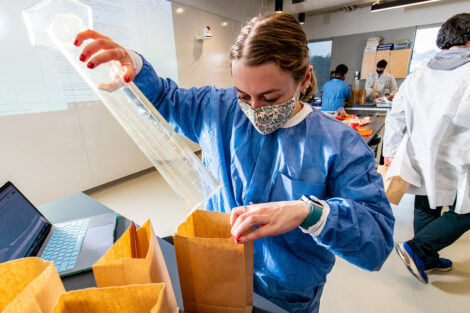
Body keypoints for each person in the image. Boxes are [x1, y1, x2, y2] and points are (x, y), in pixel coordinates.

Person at [75, 13, 394, 313]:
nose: (255, 109)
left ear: (304, 79)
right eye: (244, 95)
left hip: (285, 297)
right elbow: (163, 99)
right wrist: (136, 68)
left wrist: (309, 212)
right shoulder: (217, 108)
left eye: (270, 98)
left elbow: (376, 242)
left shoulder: (339, 144)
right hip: (215, 273)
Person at [383, 13, 470, 284]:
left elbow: (395, 115)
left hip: (420, 153)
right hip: (459, 155)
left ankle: (428, 259)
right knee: (464, 209)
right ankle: (419, 249)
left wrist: (391, 152)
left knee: (426, 205)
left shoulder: (420, 73)